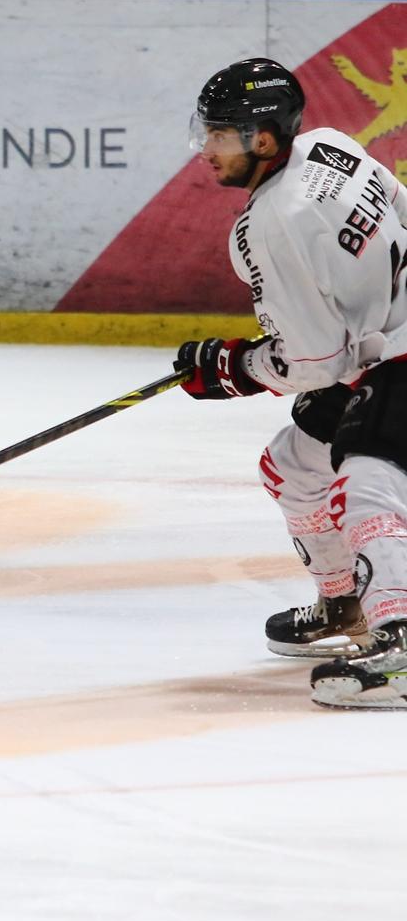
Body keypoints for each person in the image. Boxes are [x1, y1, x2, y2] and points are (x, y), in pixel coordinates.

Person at [170, 59, 407, 708]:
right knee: (293, 465)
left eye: (220, 136)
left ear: (264, 139)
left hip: (396, 347)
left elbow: (316, 362)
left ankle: (401, 640)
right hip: (385, 340)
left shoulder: (267, 225)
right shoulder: (331, 144)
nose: (206, 149)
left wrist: (234, 370)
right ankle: (345, 607)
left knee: (371, 479)